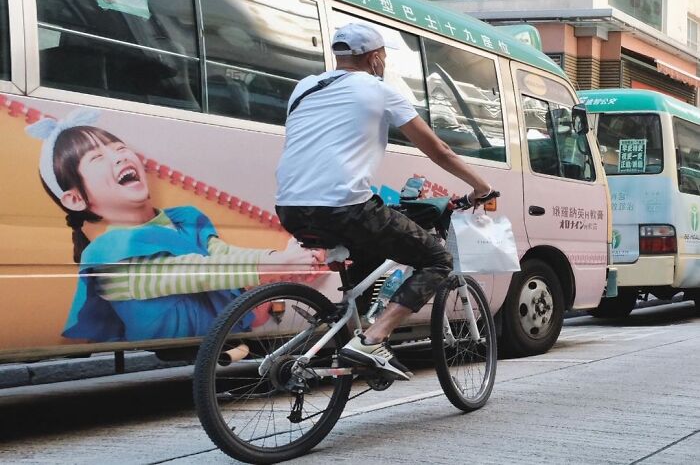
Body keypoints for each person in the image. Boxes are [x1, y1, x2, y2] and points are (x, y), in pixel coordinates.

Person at [275, 22, 494, 380]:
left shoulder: (304, 87)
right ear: (375, 58)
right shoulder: (378, 89)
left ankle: (350, 336)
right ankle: (374, 339)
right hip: (343, 205)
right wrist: (481, 186)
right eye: (384, 57)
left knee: (370, 251)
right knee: (437, 258)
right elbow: (438, 149)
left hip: (288, 205)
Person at [27, 109, 319, 342]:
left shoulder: (183, 219)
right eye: (98, 158)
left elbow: (220, 254)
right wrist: (277, 264)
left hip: (221, 334)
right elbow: (189, 273)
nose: (119, 157)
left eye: (119, 148)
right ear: (76, 199)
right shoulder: (105, 255)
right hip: (212, 336)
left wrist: (278, 260)